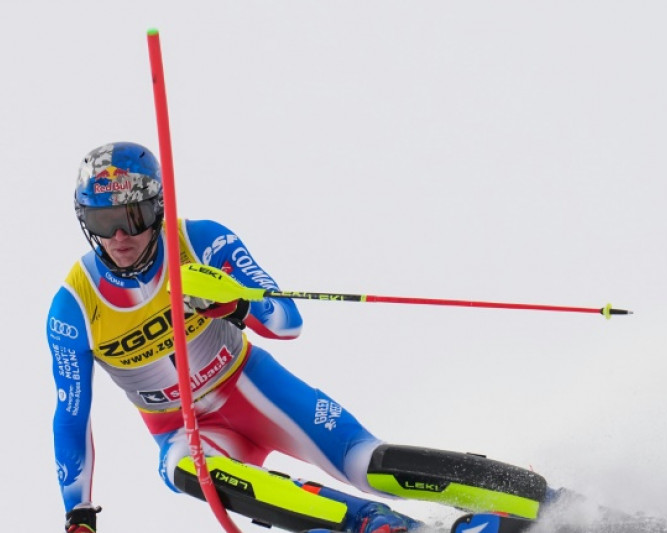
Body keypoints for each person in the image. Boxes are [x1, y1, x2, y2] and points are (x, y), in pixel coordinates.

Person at [48, 142, 548, 533]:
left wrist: (235, 302)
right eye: (103, 222)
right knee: (183, 470)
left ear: (156, 207)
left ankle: (540, 500)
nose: (119, 237)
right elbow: (72, 414)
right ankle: (378, 526)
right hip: (185, 429)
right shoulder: (75, 305)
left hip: (251, 387)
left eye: (131, 217)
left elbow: (287, 320)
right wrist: (80, 513)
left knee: (366, 464)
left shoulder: (198, 240)